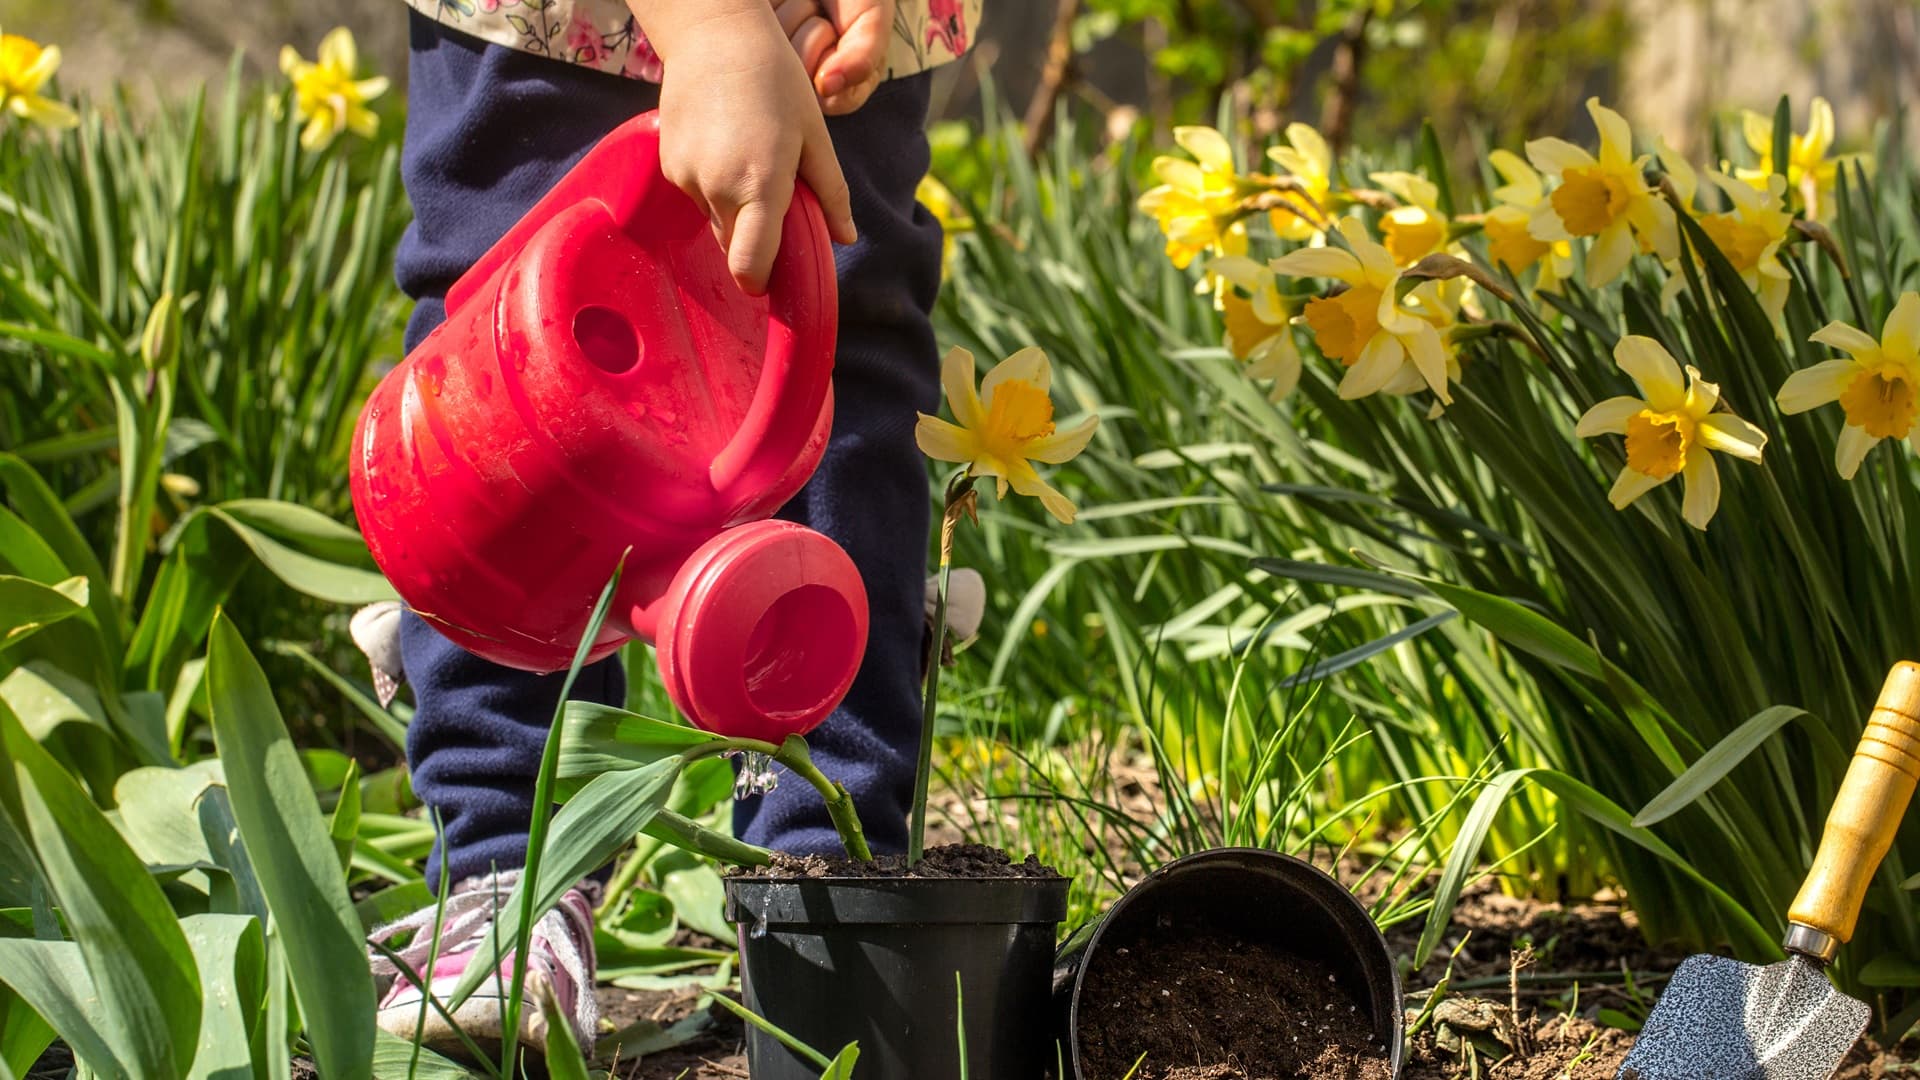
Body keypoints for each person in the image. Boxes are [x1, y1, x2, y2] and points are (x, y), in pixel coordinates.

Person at [361, 0, 981, 1051]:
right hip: (567, 26)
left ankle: (823, 886)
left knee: (829, 344)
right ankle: (510, 873)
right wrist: (716, 33)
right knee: (514, 333)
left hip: (841, 33)